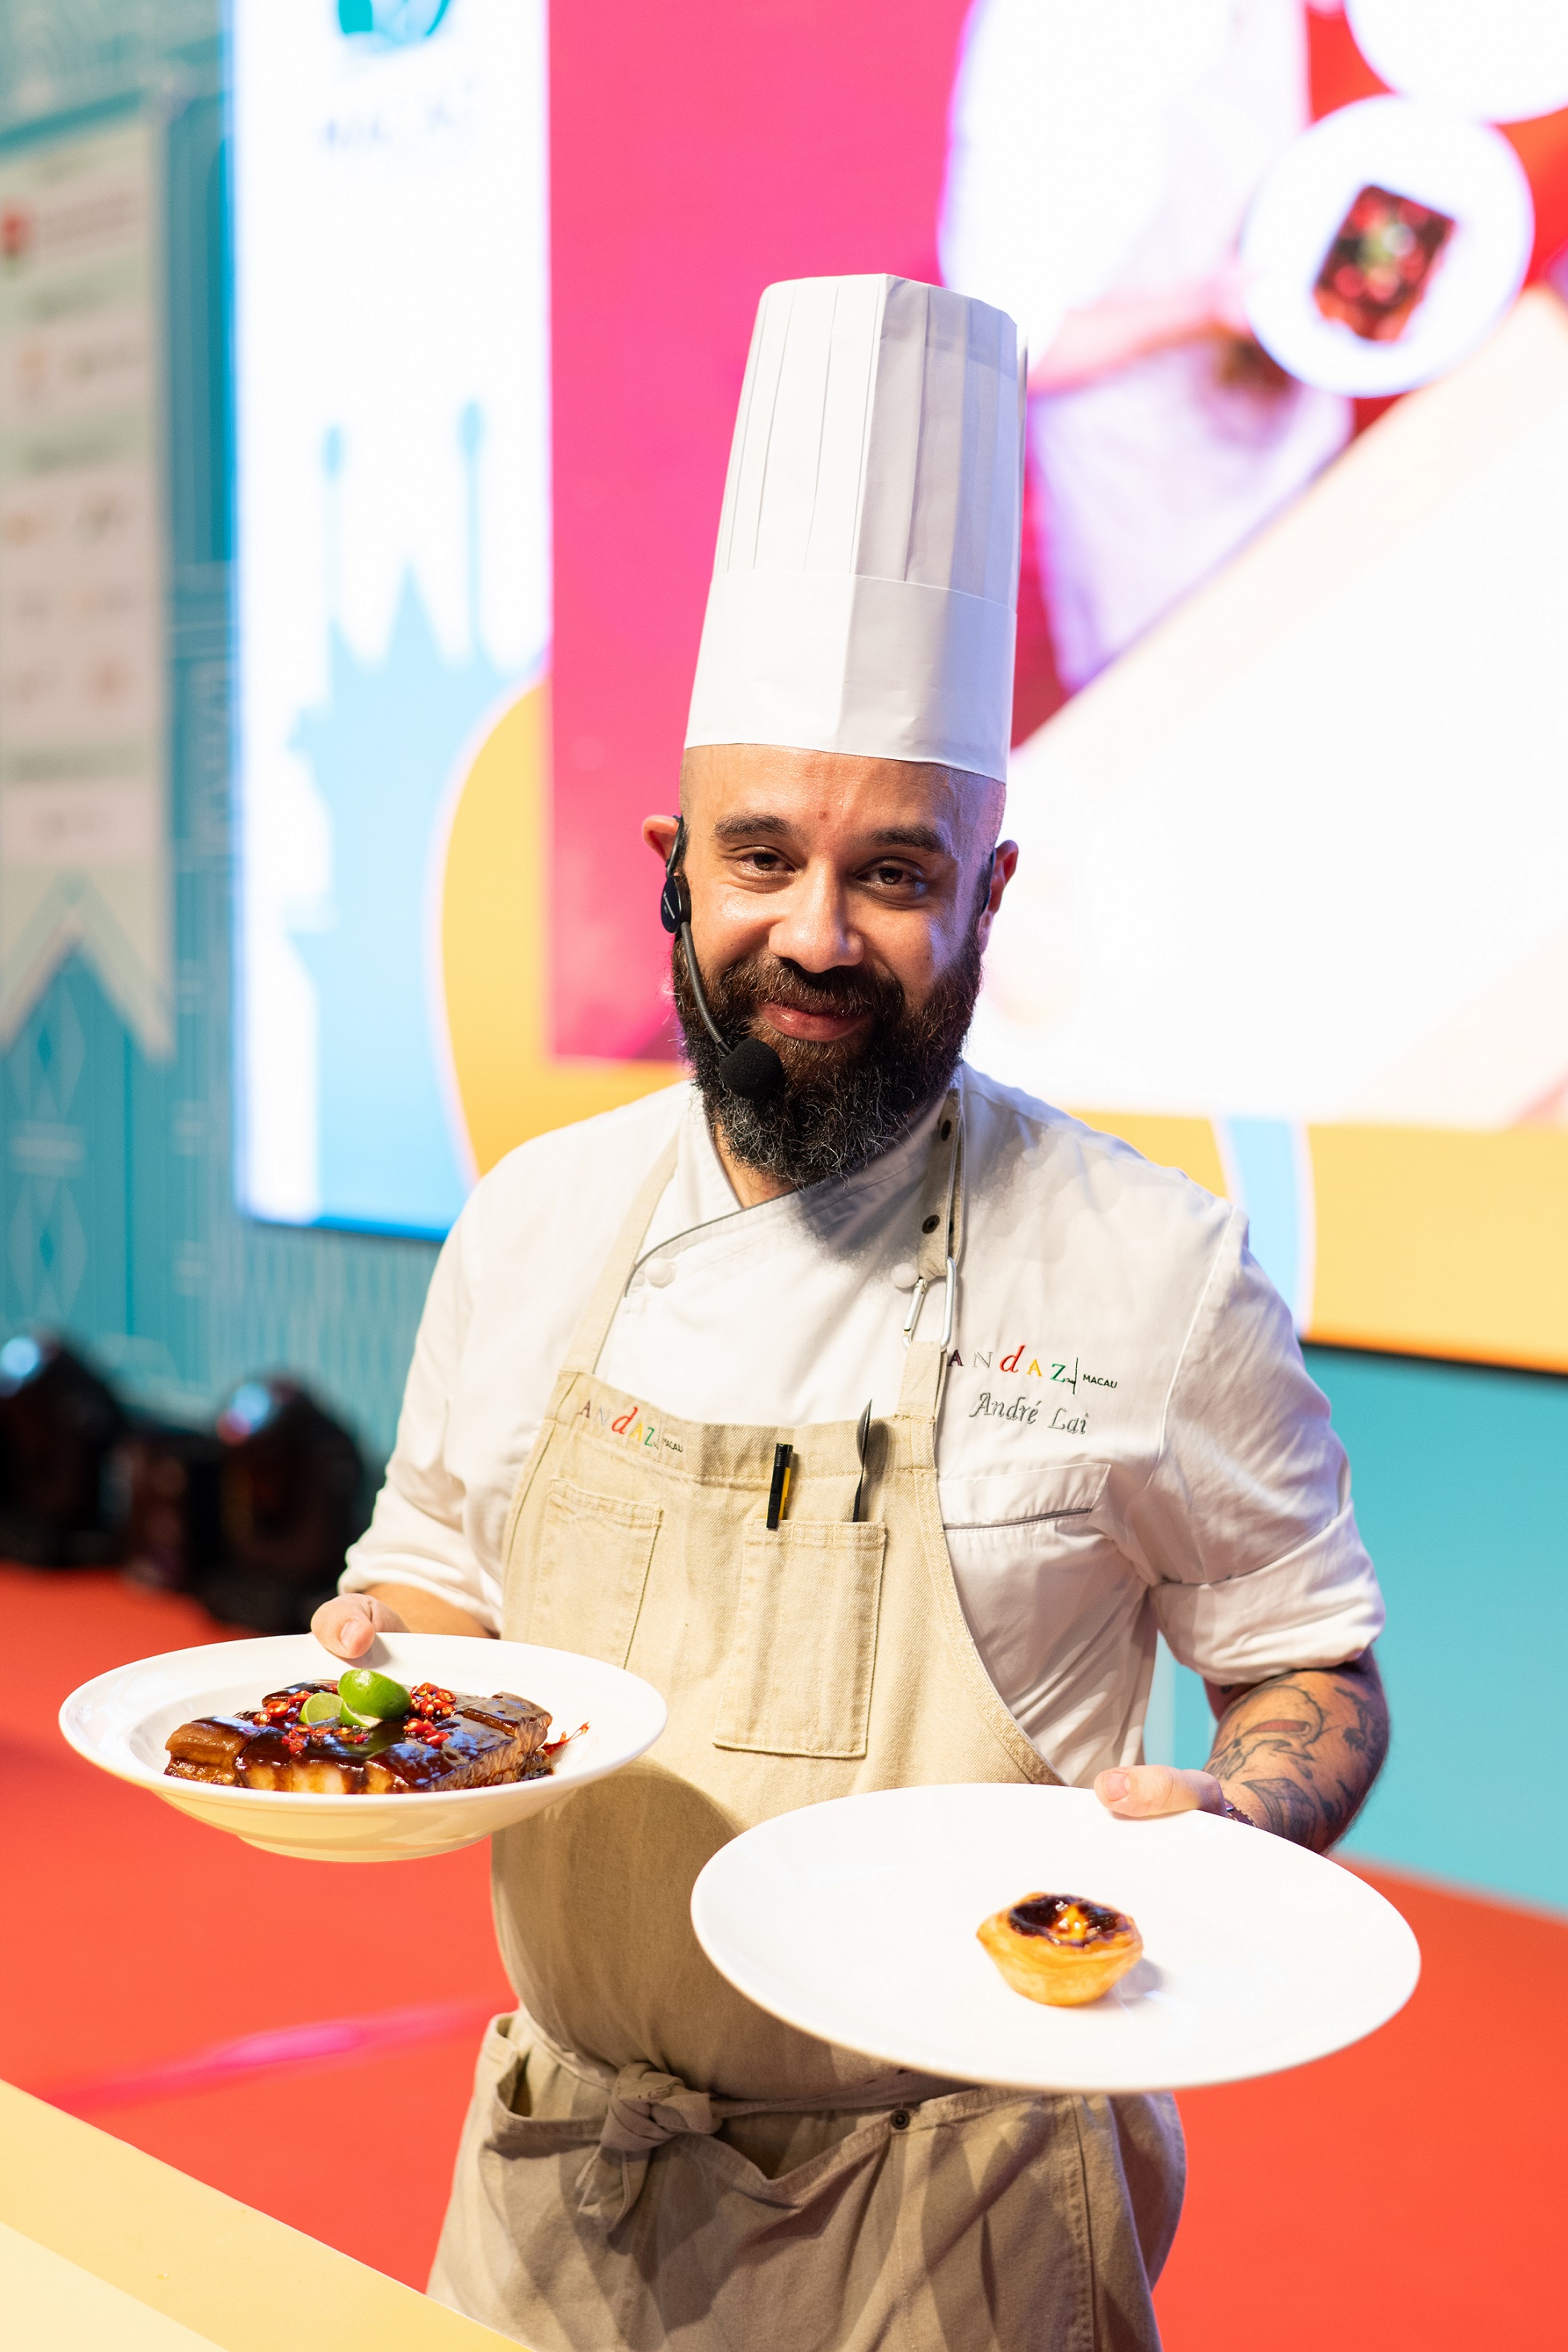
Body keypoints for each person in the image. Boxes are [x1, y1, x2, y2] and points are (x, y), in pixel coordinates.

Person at [313, 273, 1387, 2351]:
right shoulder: (533, 1224)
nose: (817, 933)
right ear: (669, 864)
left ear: (991, 888)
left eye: (896, 872)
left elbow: (1306, 1674)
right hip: (570, 2200)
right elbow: (435, 1590)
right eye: (762, 858)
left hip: (966, 2208)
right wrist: (378, 1685)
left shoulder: (1146, 1265)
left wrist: (1239, 1810)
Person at [939, 0, 1352, 689]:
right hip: (1158, 504)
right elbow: (1011, 342)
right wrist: (1201, 309)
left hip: (1295, 419)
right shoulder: (1033, 50)